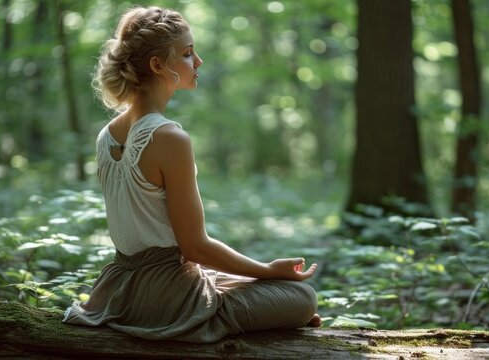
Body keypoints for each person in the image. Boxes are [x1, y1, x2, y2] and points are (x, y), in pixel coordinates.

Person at [62, 6, 320, 343]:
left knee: (236, 282)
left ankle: (250, 311)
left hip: (118, 288)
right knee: (303, 298)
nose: (198, 61)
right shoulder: (169, 138)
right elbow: (195, 247)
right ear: (157, 65)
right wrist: (269, 270)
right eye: (187, 54)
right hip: (167, 296)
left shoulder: (106, 135)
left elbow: (177, 252)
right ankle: (205, 322)